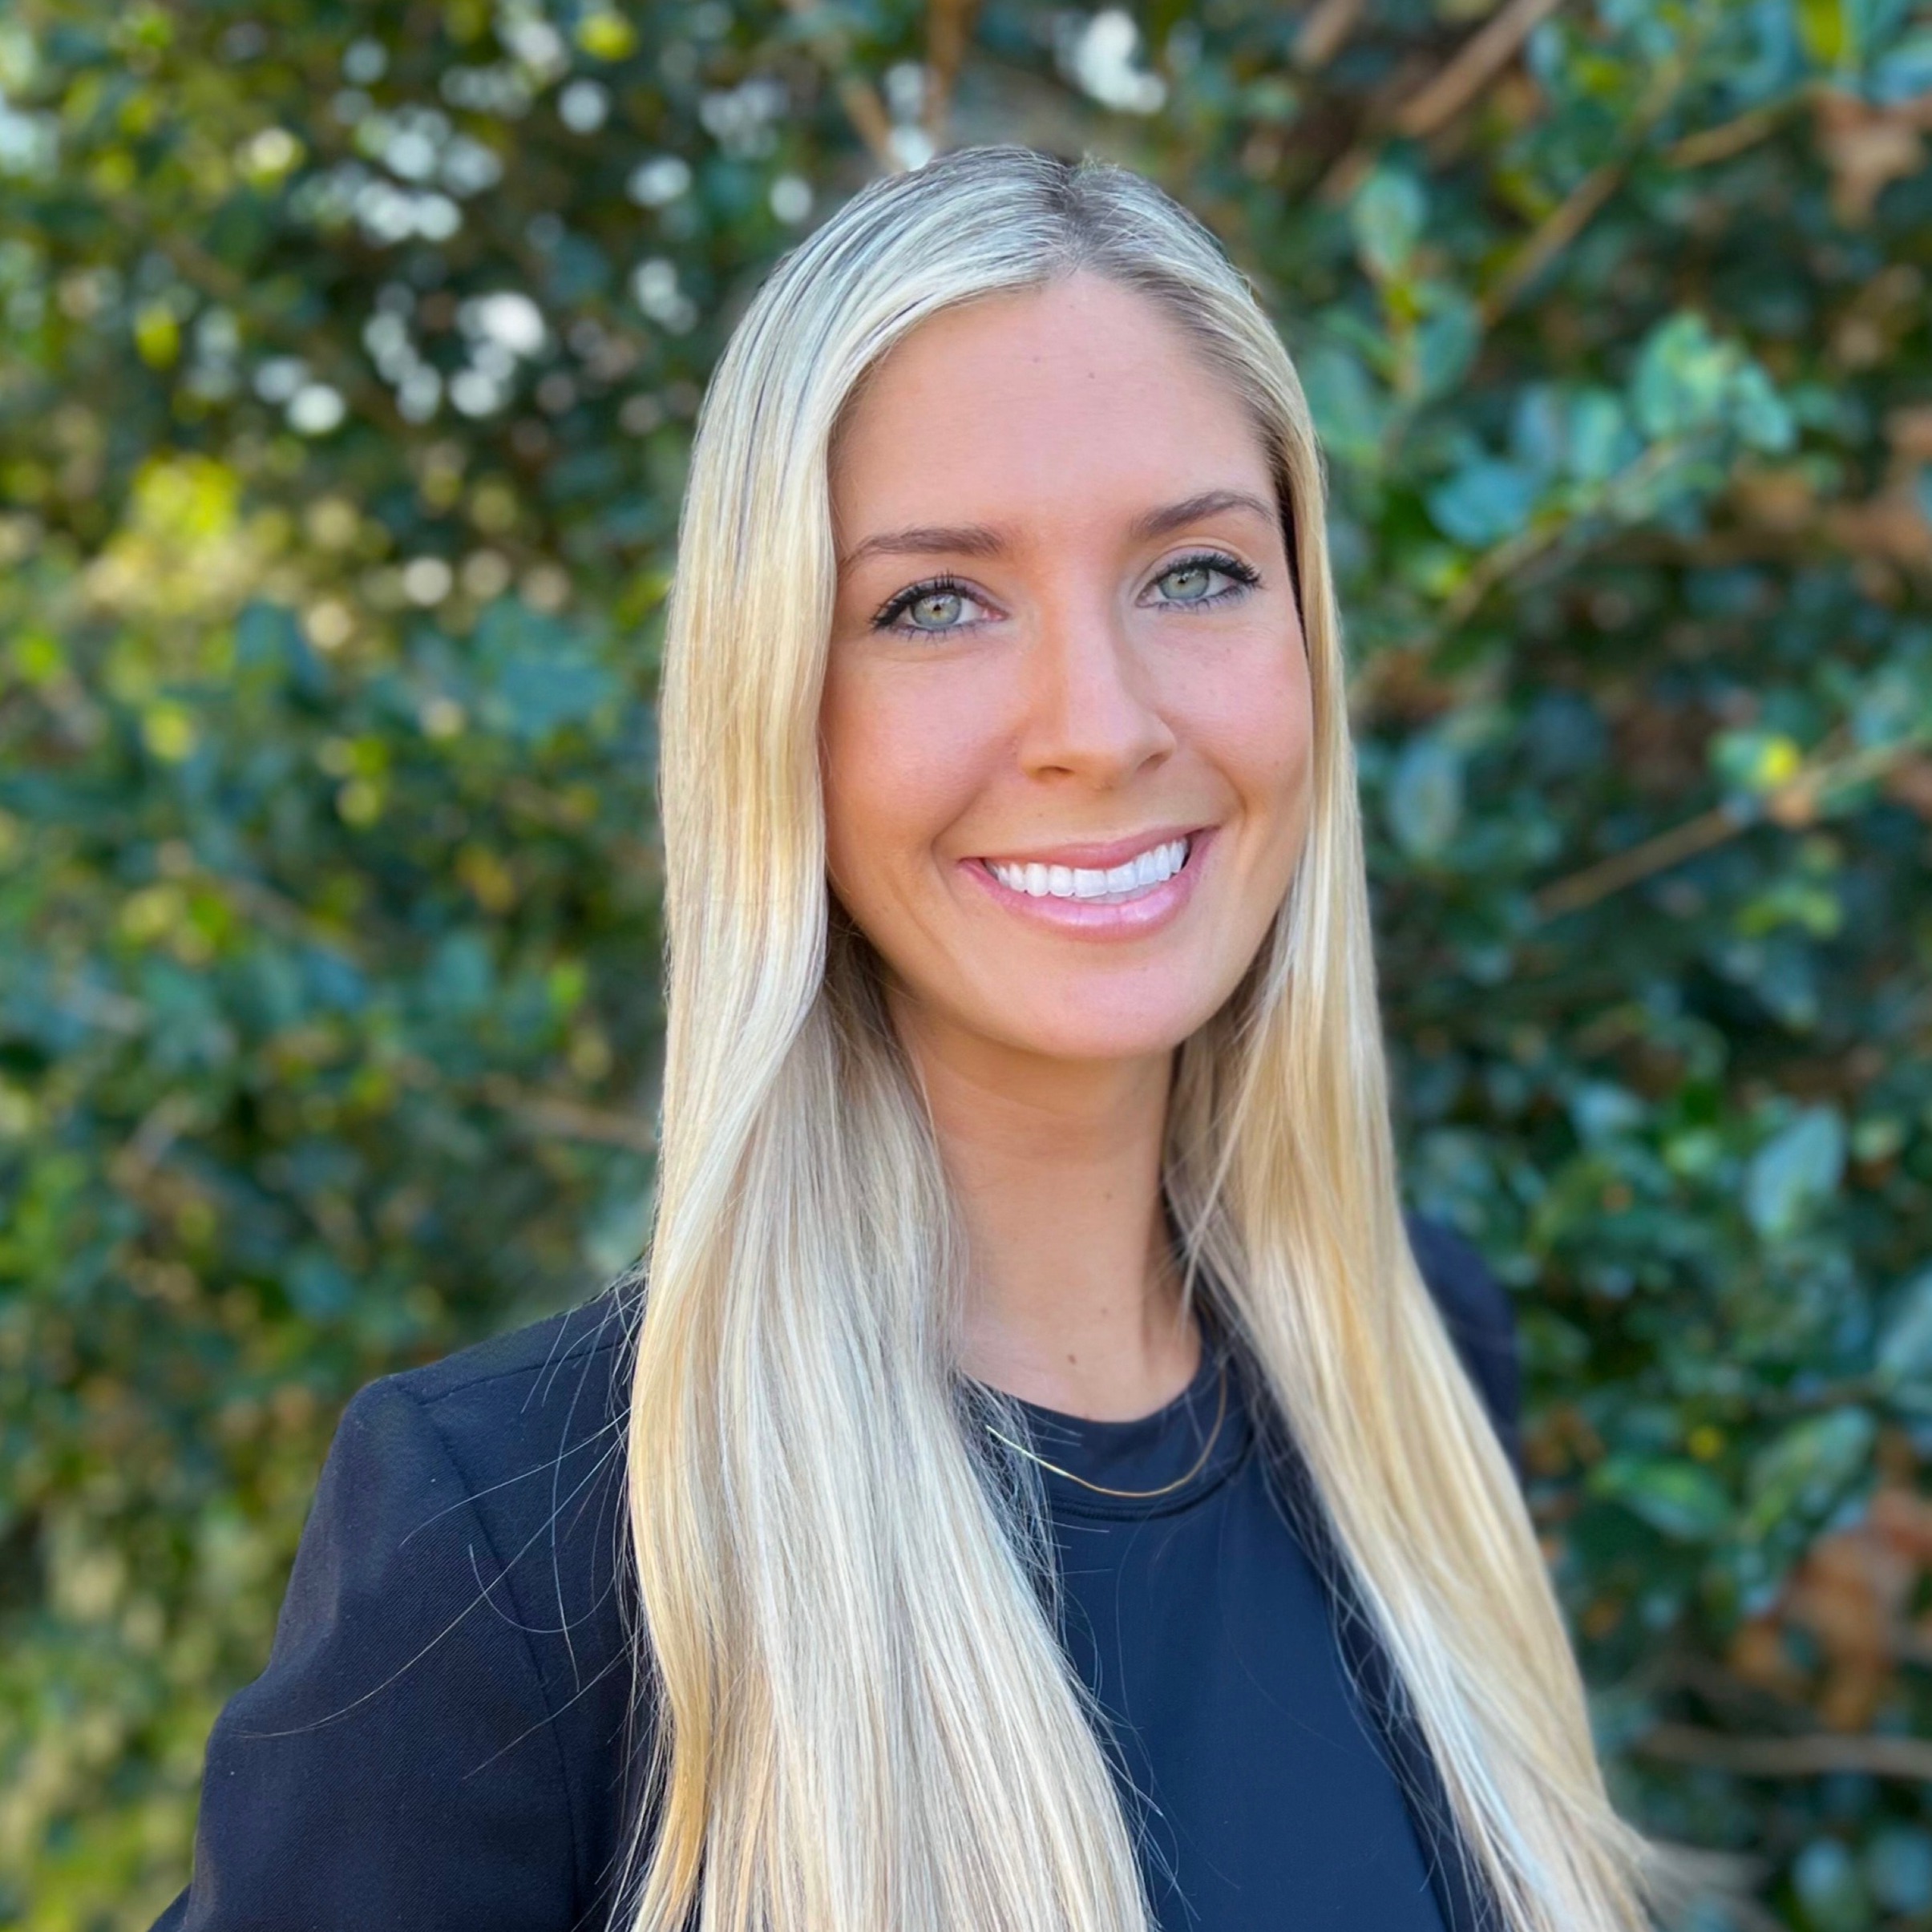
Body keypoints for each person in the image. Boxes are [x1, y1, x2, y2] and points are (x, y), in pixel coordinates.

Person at [152, 145, 1654, 1932]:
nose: (1097, 726)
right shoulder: (517, 1552)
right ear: (771, 704)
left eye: (1193, 572)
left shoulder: (1413, 1361)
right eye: (933, 602)